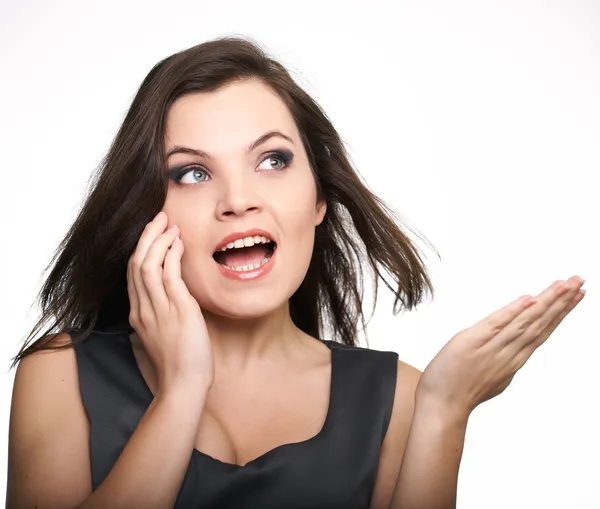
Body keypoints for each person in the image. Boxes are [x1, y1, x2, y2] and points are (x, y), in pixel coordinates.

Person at [6, 36, 585, 509]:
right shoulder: (60, 377)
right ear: (147, 215)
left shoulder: (401, 399)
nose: (238, 200)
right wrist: (182, 390)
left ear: (316, 201)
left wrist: (443, 413)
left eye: (273, 160)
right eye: (191, 173)